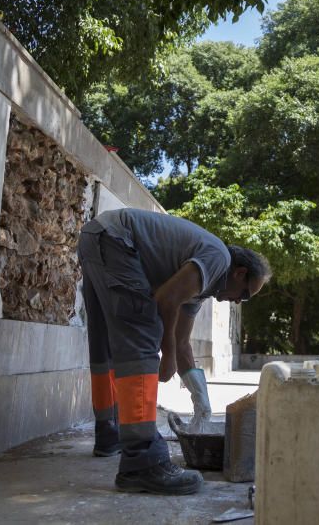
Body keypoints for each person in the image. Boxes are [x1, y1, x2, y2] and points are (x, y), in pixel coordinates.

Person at [77, 207, 272, 495]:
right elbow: (165, 301)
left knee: (105, 340)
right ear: (239, 273)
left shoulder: (202, 284)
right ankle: (141, 461)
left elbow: (182, 342)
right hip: (115, 240)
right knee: (143, 329)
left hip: (99, 237)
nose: (239, 302)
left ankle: (109, 433)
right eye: (245, 294)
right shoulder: (217, 258)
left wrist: (199, 395)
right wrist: (165, 355)